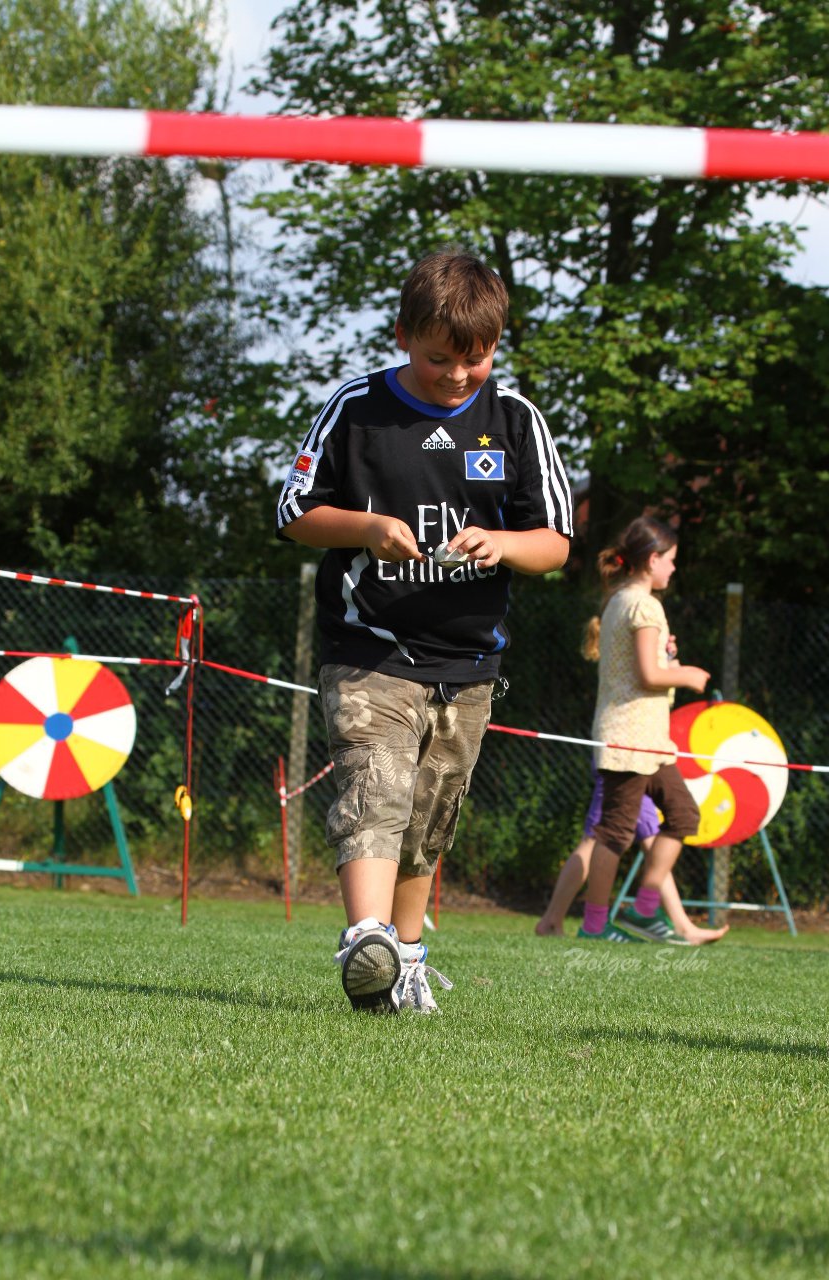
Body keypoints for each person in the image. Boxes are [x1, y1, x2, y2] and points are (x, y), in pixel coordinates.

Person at [276, 249, 573, 1011]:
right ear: (403, 335)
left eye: (476, 359)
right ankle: (363, 939)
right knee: (374, 784)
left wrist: (503, 543)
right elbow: (294, 513)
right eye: (440, 358)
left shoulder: (516, 422)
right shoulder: (357, 408)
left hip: (468, 662)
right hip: (369, 648)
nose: (457, 375)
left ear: (496, 346)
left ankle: (400, 959)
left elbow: (557, 543)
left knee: (428, 818)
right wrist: (368, 526)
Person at [577, 516, 711, 943]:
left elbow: (644, 667)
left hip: (648, 738)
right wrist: (687, 674)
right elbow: (650, 675)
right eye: (671, 560)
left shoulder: (620, 599)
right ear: (652, 560)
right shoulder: (644, 604)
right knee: (614, 833)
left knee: (685, 814)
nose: (673, 569)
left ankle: (643, 909)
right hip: (630, 738)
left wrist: (667, 659)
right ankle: (595, 927)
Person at [535, 769, 729, 944]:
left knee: (645, 835)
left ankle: (557, 921)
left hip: (644, 753)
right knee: (607, 836)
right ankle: (641, 917)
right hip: (628, 754)